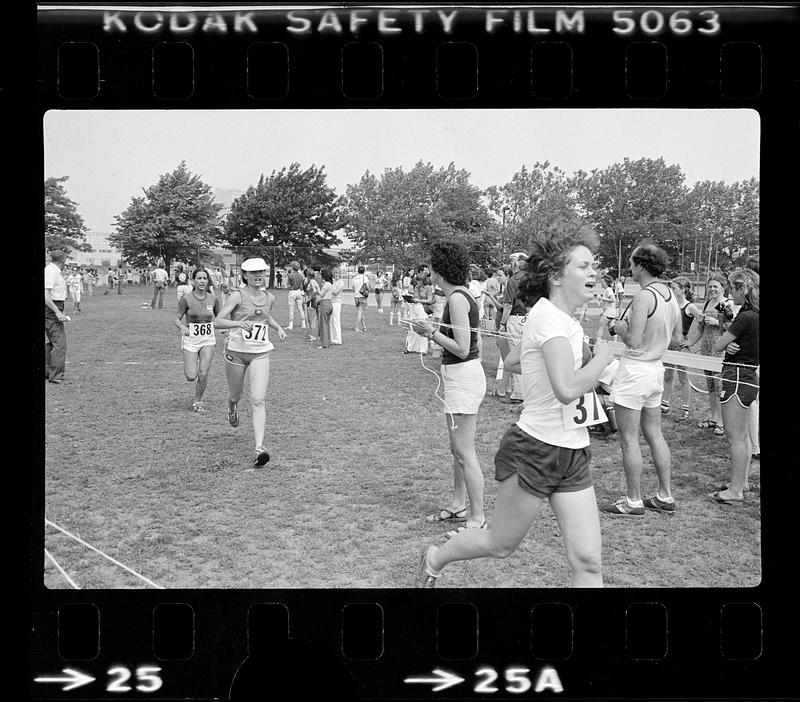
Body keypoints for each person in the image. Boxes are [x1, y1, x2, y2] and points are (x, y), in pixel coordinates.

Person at [415, 222, 614, 588]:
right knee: (500, 544)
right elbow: (568, 390)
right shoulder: (551, 319)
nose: (593, 273)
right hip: (535, 449)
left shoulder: (556, 319)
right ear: (556, 275)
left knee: (588, 561)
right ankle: (436, 556)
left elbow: (520, 360)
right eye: (583, 266)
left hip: (573, 450)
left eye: (593, 266)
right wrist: (602, 357)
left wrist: (567, 355)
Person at [411, 241, 488, 536]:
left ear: (440, 269)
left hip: (464, 378)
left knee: (465, 452)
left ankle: (477, 518)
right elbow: (475, 343)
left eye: (431, 266)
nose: (428, 270)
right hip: (461, 377)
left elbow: (463, 347)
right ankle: (458, 505)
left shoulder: (457, 298)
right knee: (457, 450)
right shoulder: (461, 295)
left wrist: (430, 332)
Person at [601, 243, 681, 517]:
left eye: (633, 263)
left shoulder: (644, 296)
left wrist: (619, 327)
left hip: (636, 369)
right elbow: (677, 339)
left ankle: (633, 500)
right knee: (654, 434)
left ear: (642, 266)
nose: (631, 269)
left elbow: (633, 340)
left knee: (629, 439)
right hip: (656, 370)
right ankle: (664, 495)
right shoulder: (671, 293)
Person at [212, 258, 287, 467]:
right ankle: (231, 407)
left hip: (260, 352)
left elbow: (265, 317)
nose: (258, 275)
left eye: (261, 272)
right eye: (253, 272)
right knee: (236, 395)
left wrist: (278, 327)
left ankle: (259, 448)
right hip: (236, 352)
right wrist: (238, 323)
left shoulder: (269, 297)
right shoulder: (237, 295)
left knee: (258, 400)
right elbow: (218, 321)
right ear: (244, 275)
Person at [709, 269, 759, 505]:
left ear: (742, 289)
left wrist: (728, 343)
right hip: (749, 376)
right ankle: (742, 481)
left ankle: (735, 491)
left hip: (736, 377)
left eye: (731, 287)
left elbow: (719, 345)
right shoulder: (756, 315)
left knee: (735, 438)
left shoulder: (746, 317)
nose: (729, 292)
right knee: (744, 436)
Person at [173, 268, 221, 413]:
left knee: (203, 373)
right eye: (199, 278)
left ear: (208, 281)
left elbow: (219, 318)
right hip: (191, 339)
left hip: (208, 339)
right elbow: (176, 318)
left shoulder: (213, 299)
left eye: (204, 278)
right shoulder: (186, 299)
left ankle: (197, 401)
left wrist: (224, 328)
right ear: (193, 280)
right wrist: (181, 327)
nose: (202, 281)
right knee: (191, 376)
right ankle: (190, 363)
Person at [695, 273, 734, 435]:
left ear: (723, 288)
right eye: (710, 286)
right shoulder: (708, 303)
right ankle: (713, 417)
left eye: (715, 286)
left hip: (720, 348)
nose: (712, 289)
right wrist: (700, 321)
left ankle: (722, 422)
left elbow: (733, 328)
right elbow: (700, 330)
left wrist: (716, 322)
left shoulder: (726, 304)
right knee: (710, 384)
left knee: (720, 386)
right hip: (706, 348)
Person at [660, 276, 701, 421]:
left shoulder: (689, 306)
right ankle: (664, 404)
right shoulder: (671, 304)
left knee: (683, 378)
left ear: (682, 289)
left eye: (674, 288)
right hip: (669, 345)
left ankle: (686, 409)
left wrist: (691, 342)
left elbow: (702, 322)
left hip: (681, 346)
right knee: (668, 376)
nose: (671, 290)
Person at [497, 253, 529, 403]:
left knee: (516, 356)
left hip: (516, 318)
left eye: (512, 261)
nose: (510, 264)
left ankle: (520, 393)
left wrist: (503, 323)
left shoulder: (512, 281)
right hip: (529, 318)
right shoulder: (532, 278)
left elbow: (508, 305)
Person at [44, 250, 70, 384]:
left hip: (53, 307)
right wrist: (57, 312)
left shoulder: (53, 271)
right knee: (60, 343)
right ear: (63, 260)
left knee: (52, 342)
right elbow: (46, 295)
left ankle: (48, 371)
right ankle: (56, 376)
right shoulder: (51, 271)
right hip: (51, 309)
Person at [403, 267, 433, 354]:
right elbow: (412, 292)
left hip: (422, 307)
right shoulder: (416, 287)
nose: (418, 283)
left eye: (419, 281)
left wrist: (418, 300)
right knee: (412, 327)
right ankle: (410, 348)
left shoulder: (428, 288)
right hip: (414, 306)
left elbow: (430, 300)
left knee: (422, 327)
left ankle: (423, 349)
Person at [316, 268, 334, 348]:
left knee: (323, 324)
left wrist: (316, 288)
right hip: (329, 304)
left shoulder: (326, 284)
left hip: (324, 304)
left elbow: (321, 294)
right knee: (327, 324)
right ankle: (328, 342)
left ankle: (324, 344)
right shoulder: (330, 284)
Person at [596, 275, 618, 340]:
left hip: (608, 313)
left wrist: (601, 298)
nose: (601, 283)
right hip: (611, 313)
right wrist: (602, 311)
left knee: (600, 328)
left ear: (606, 283)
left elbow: (613, 300)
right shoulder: (608, 290)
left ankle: (597, 344)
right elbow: (607, 304)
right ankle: (615, 344)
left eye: (603, 282)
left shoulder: (608, 290)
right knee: (612, 331)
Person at [285, 261, 306, 330]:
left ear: (292, 267)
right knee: (300, 309)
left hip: (292, 291)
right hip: (299, 292)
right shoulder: (301, 276)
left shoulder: (290, 275)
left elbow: (288, 285)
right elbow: (302, 285)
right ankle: (303, 324)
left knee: (291, 309)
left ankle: (290, 325)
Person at [302, 268, 320, 340]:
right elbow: (318, 291)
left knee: (312, 320)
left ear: (308, 276)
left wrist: (310, 298)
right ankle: (313, 334)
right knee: (314, 319)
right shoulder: (315, 281)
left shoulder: (312, 282)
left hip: (312, 301)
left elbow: (315, 291)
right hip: (316, 300)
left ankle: (313, 336)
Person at [352, 265, 370, 332]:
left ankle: (364, 327)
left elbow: (353, 289)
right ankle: (356, 327)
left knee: (361, 312)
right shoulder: (365, 278)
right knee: (360, 312)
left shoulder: (354, 278)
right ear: (364, 271)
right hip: (362, 296)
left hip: (356, 297)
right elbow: (367, 287)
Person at [330, 268, 345, 345]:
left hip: (337, 302)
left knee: (336, 320)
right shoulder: (332, 282)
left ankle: (338, 339)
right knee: (331, 321)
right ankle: (333, 338)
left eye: (338, 273)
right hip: (331, 301)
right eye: (335, 273)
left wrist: (329, 288)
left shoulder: (340, 282)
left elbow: (335, 292)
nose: (337, 274)